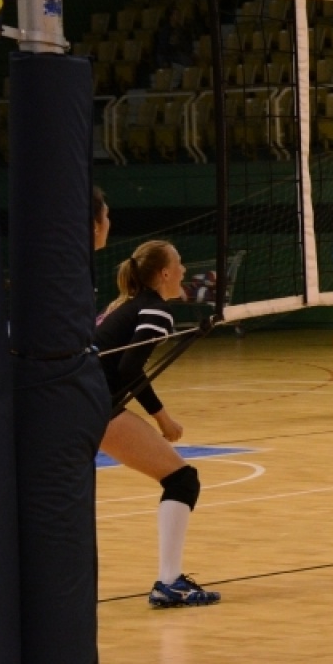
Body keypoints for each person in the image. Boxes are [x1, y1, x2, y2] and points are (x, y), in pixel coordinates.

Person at [91, 227, 221, 608]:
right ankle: (169, 583)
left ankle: (169, 582)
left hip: (82, 403)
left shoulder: (130, 306)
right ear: (164, 273)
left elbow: (122, 368)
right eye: (179, 264)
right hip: (95, 406)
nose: (184, 270)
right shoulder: (153, 311)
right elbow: (129, 370)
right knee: (182, 479)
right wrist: (163, 419)